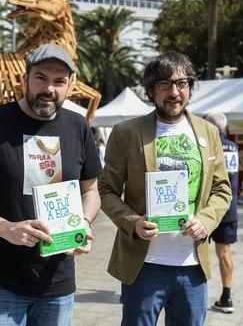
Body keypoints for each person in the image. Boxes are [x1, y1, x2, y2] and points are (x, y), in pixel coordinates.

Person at [0, 43, 102, 326]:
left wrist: (86, 223)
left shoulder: (78, 127)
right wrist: (6, 228)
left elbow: (90, 191)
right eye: (40, 77)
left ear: (69, 86)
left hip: (57, 283)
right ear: (24, 79)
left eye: (59, 81)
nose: (49, 88)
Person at [98, 51, 233, 326]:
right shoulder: (126, 133)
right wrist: (132, 222)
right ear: (151, 90)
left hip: (192, 267)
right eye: (165, 84)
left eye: (182, 83)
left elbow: (222, 189)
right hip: (144, 266)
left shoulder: (208, 132)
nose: (175, 92)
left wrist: (206, 221)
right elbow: (106, 190)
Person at [204, 113, 239, 314]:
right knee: (224, 252)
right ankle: (227, 295)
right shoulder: (233, 147)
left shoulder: (209, 146)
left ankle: (192, 292)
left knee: (197, 250)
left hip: (208, 208)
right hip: (229, 207)